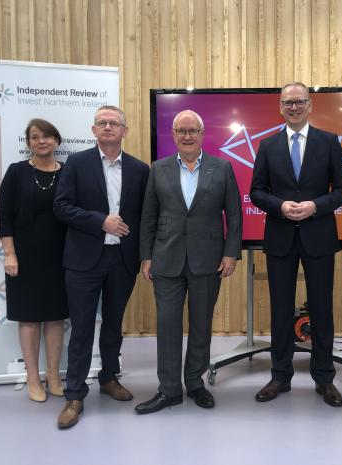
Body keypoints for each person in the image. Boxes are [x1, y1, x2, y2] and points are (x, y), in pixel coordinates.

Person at [134, 109, 242, 415]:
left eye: (193, 130)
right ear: (173, 135)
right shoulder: (159, 168)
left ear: (202, 135)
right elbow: (148, 217)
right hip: (166, 260)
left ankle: (195, 383)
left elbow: (233, 214)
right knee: (167, 326)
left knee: (201, 326)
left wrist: (230, 252)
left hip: (208, 261)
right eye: (181, 131)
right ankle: (168, 390)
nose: (187, 136)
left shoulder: (222, 168)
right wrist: (146, 256)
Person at [250, 82, 342, 406]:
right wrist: (279, 206)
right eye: (287, 103)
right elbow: (257, 191)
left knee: (321, 309)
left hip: (318, 236)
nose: (293, 107)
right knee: (280, 310)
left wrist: (315, 206)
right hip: (280, 236)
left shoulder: (329, 142)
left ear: (310, 105)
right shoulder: (267, 146)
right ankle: (280, 376)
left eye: (299, 102)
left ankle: (324, 378)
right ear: (280, 107)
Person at [53, 105, 150, 429]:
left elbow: (145, 217)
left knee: (113, 325)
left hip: (122, 261)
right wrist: (101, 222)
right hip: (83, 261)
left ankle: (109, 378)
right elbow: (61, 206)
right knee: (81, 328)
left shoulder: (139, 169)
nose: (108, 127)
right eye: (102, 123)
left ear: (124, 130)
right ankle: (75, 395)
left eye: (114, 123)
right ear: (94, 130)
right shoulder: (77, 164)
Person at [0, 118, 68, 402]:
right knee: (28, 318)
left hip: (60, 256)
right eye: (35, 137)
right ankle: (32, 377)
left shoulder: (68, 172)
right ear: (28, 142)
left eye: (47, 136)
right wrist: (10, 253)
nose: (42, 141)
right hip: (24, 257)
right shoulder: (16, 172)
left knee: (54, 317)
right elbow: (4, 214)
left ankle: (53, 375)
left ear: (56, 141)